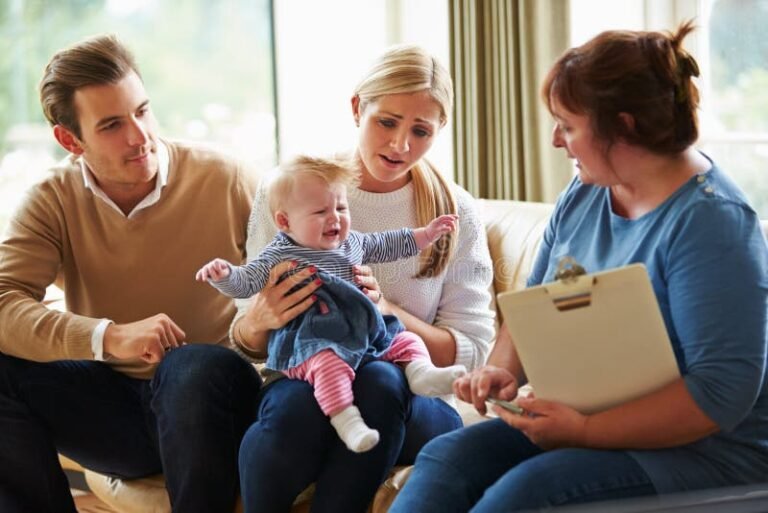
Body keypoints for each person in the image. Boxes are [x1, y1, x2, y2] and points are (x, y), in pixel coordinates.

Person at [389, 21, 768, 513]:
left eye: (568, 125)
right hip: (588, 421)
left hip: (704, 452)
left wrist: (585, 430)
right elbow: (534, 305)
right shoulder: (587, 191)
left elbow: (719, 395)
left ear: (624, 126)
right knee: (448, 457)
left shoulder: (712, 226)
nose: (555, 140)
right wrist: (500, 373)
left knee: (524, 494)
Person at [0, 35, 262, 513]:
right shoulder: (51, 200)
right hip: (119, 414)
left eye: (142, 111)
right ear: (69, 140)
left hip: (218, 401)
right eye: (112, 125)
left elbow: (291, 260)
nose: (139, 136)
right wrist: (108, 336)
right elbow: (3, 302)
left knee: (187, 365)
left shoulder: (227, 177)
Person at [230, 45, 496, 513]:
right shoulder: (293, 189)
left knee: (378, 381)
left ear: (439, 131)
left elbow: (471, 350)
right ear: (358, 108)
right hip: (311, 376)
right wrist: (258, 319)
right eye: (387, 122)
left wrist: (388, 312)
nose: (400, 145)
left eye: (421, 131)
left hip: (413, 396)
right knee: (290, 409)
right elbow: (247, 335)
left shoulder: (453, 212)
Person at [197, 154, 467, 453]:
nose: (335, 218)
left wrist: (427, 235)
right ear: (285, 222)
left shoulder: (352, 242)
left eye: (340, 207)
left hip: (361, 330)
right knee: (328, 366)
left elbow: (390, 243)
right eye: (320, 212)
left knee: (405, 338)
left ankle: (421, 374)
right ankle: (346, 419)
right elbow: (245, 282)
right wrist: (223, 275)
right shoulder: (278, 254)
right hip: (313, 340)